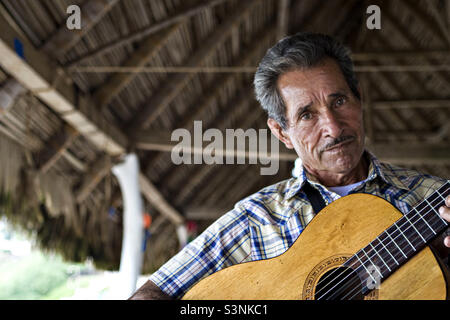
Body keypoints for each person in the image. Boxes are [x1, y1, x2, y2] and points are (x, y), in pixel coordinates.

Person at [129, 32, 450, 300]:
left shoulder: (433, 198)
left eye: (339, 101)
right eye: (307, 115)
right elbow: (149, 295)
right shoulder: (256, 219)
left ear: (359, 98)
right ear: (282, 132)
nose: (334, 128)